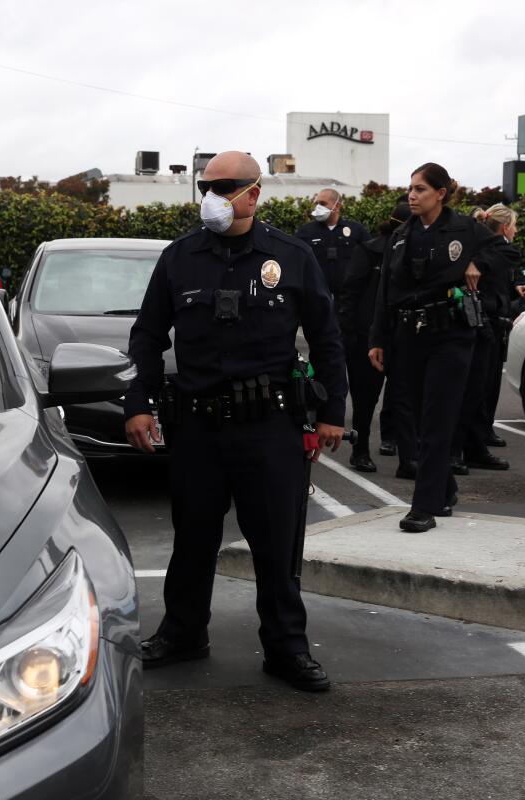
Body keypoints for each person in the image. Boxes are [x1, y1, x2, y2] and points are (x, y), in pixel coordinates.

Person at [124, 151, 346, 692]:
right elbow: (149, 335)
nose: (214, 197)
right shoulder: (179, 257)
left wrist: (333, 413)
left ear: (253, 194)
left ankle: (286, 647)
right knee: (193, 538)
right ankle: (183, 632)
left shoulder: (290, 256)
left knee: (276, 543)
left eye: (226, 187)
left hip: (269, 426)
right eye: (207, 186)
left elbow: (327, 336)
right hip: (198, 425)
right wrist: (137, 403)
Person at [368, 163, 501, 533]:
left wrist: (477, 261)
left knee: (437, 418)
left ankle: (424, 506)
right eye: (410, 188)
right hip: (409, 334)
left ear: (441, 193)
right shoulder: (400, 236)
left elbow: (506, 253)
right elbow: (385, 293)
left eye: (421, 189)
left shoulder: (465, 228)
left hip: (451, 335)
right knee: (413, 416)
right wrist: (377, 339)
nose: (412, 195)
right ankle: (445, 487)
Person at [452, 204, 525, 475]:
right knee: (470, 392)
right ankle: (455, 452)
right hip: (477, 324)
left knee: (482, 390)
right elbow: (506, 254)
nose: (516, 230)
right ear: (504, 227)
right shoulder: (482, 249)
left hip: (492, 324)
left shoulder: (492, 252)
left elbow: (505, 263)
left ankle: (474, 446)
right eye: (514, 225)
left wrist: (513, 288)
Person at [337, 200, 410, 472]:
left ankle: (404, 454)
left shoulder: (413, 252)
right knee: (365, 399)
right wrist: (350, 334)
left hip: (401, 336)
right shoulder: (369, 251)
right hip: (366, 336)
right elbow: (350, 293)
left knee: (403, 397)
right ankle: (360, 449)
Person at [296, 188, 369, 301]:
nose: (318, 207)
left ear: (337, 206)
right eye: (317, 203)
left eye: (323, 203)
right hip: (316, 297)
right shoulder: (306, 231)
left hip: (348, 299)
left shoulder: (356, 230)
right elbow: (295, 259)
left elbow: (369, 258)